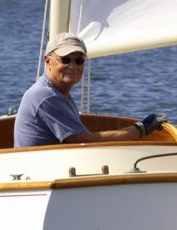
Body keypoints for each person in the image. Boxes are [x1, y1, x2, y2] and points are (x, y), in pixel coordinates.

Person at [14, 32, 165, 147]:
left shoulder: (59, 94)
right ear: (48, 61)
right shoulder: (45, 96)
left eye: (79, 60)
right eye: (65, 59)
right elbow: (80, 141)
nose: (73, 66)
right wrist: (141, 129)